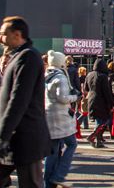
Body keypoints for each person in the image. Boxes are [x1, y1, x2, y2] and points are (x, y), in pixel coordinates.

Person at [0, 16, 50, 188]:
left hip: (25, 137)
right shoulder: (20, 56)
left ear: (17, 35)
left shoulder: (28, 57)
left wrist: (2, 136)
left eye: (3, 34)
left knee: (30, 184)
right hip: (12, 137)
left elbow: (19, 99)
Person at [44, 51, 78, 188]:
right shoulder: (61, 77)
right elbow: (63, 98)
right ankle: (59, 175)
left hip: (49, 115)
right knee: (72, 143)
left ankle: (49, 182)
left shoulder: (47, 75)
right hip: (61, 117)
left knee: (52, 151)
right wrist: (75, 97)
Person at [85, 59, 114, 148]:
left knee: (99, 120)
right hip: (101, 101)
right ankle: (92, 136)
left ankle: (98, 141)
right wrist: (111, 103)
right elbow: (106, 91)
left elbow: (86, 88)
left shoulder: (89, 74)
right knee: (103, 121)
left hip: (91, 98)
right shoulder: (103, 76)